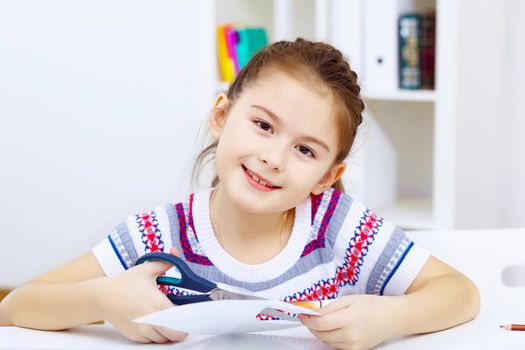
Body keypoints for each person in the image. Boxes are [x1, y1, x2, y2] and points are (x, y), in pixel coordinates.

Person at [0, 38, 480, 349]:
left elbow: (460, 293)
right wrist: (102, 301)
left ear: (326, 178)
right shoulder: (159, 234)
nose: (273, 157)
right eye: (263, 125)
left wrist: (387, 317)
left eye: (305, 150)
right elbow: (17, 305)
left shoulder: (339, 227)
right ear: (221, 115)